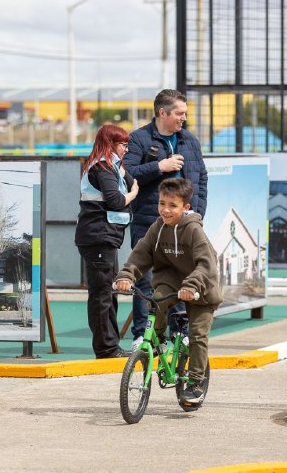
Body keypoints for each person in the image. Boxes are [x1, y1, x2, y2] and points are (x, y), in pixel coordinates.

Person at [114, 178, 221, 405]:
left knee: (197, 335)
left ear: (186, 207)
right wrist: (126, 275)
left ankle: (195, 383)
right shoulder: (158, 228)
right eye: (162, 203)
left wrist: (191, 285)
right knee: (157, 300)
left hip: (201, 288)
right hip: (172, 281)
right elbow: (141, 253)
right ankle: (158, 339)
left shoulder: (193, 231)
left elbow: (206, 265)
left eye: (173, 205)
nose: (166, 210)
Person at [124, 89, 208, 349]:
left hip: (185, 224)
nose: (184, 118)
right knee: (146, 279)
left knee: (182, 277)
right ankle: (143, 335)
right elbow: (127, 174)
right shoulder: (139, 138)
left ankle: (179, 332)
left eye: (185, 113)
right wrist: (159, 166)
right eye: (179, 113)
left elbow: (202, 178)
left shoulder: (189, 140)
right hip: (148, 222)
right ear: (163, 112)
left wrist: (198, 213)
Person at [75, 123, 139, 359]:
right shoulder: (102, 168)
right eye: (123, 145)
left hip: (104, 237)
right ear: (110, 144)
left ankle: (110, 346)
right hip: (98, 237)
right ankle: (106, 348)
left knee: (108, 293)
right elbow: (116, 200)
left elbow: (130, 182)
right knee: (102, 294)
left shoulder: (110, 166)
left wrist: (122, 171)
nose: (126, 149)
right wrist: (132, 195)